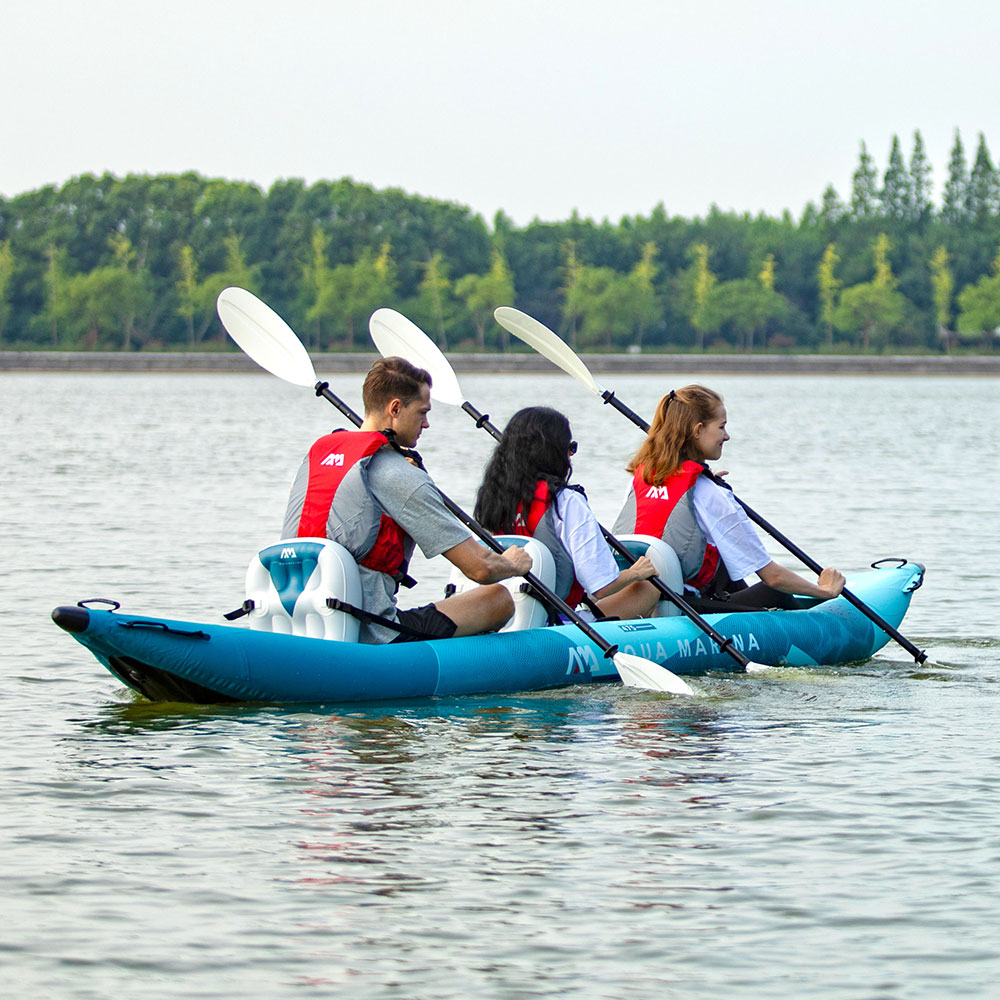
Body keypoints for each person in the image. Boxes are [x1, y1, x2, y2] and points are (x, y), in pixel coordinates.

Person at [282, 356, 532, 643]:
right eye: (422, 412)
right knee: (498, 598)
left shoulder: (316, 461)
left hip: (296, 619)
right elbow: (479, 568)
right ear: (396, 408)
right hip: (372, 631)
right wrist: (513, 564)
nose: (426, 424)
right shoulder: (399, 474)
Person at [613, 384, 845, 611]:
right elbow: (772, 577)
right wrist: (826, 590)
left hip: (642, 598)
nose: (727, 436)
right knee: (774, 592)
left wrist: (704, 479)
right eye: (722, 427)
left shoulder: (639, 480)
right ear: (698, 430)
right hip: (685, 609)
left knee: (720, 558)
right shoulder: (710, 493)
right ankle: (811, 621)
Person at [474, 406, 659, 621]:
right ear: (554, 453)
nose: (570, 456)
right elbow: (602, 586)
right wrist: (636, 572)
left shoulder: (492, 498)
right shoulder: (566, 501)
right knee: (648, 589)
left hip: (501, 615)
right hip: (555, 623)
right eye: (570, 448)